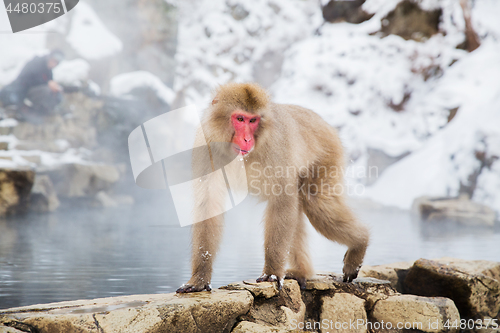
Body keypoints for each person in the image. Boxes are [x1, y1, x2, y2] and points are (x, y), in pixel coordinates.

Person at [0, 49, 64, 117]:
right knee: (47, 90)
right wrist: (47, 83)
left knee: (56, 94)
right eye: (53, 61)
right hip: (23, 91)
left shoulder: (49, 71)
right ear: (49, 57)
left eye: (56, 63)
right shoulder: (36, 62)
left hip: (32, 92)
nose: (54, 64)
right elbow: (27, 79)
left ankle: (44, 112)